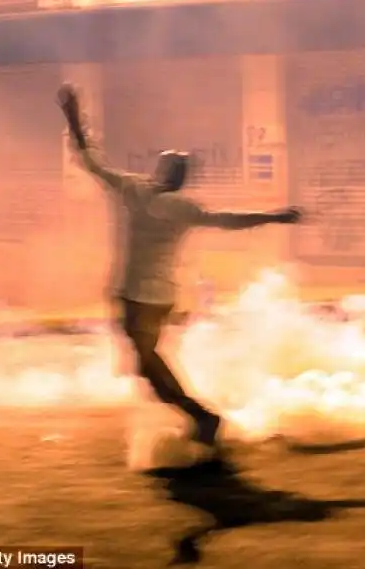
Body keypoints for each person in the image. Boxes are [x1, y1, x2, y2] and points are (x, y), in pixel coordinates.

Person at [56, 83, 303, 449]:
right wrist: (275, 216)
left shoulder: (135, 190)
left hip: (136, 295)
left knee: (147, 363)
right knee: (146, 361)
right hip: (156, 297)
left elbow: (90, 159)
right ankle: (198, 416)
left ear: (163, 171)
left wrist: (74, 117)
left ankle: (201, 417)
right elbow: (228, 220)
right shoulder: (177, 205)